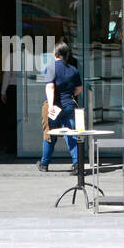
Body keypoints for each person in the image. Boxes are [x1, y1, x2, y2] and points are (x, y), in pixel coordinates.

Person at [38, 42, 82, 174]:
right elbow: (79, 89)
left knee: (50, 134)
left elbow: (50, 87)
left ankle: (44, 164)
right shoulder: (73, 70)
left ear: (55, 54)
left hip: (54, 107)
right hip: (69, 106)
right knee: (72, 135)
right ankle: (77, 164)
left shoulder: (51, 68)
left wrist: (51, 105)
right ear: (66, 54)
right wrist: (70, 95)